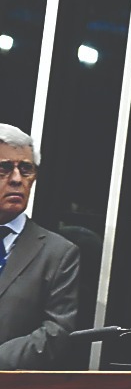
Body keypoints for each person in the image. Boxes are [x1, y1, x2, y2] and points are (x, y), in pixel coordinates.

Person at [0, 124, 81, 369]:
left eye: (26, 169)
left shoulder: (58, 254)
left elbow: (57, 332)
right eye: (4, 168)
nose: (17, 179)